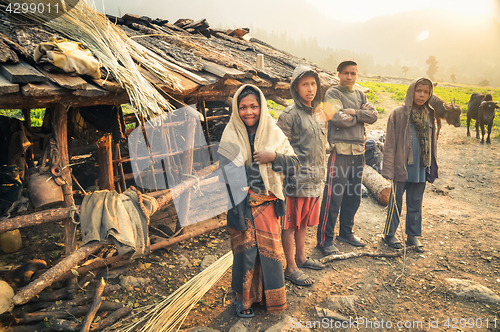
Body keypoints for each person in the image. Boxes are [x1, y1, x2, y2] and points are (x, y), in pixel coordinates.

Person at [218, 85, 299, 318]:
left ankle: (268, 299)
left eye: (254, 106)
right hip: (241, 205)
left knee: (270, 254)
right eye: (243, 107)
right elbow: (226, 173)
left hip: (269, 204)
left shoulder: (273, 132)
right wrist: (249, 170)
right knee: (245, 254)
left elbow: (294, 165)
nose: (249, 112)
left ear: (261, 107)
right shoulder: (230, 134)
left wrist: (273, 157)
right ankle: (243, 300)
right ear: (236, 109)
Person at [317, 58, 378, 256]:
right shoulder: (332, 93)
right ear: (339, 74)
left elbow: (374, 116)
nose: (349, 76)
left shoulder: (360, 93)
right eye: (346, 73)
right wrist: (359, 115)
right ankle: (325, 240)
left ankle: (346, 233)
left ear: (357, 75)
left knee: (353, 196)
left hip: (359, 152)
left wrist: (353, 113)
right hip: (340, 152)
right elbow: (337, 118)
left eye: (353, 73)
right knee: (333, 197)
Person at [277, 66, 327, 286]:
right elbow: (279, 148)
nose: (310, 89)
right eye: (305, 84)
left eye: (313, 84)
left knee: (303, 222)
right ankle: (290, 267)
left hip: (314, 180)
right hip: (294, 181)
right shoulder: (289, 115)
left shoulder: (318, 113)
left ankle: (301, 257)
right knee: (289, 224)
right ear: (296, 88)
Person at [381, 77, 438, 252]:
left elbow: (432, 142)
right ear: (411, 91)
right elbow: (390, 143)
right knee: (396, 201)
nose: (422, 95)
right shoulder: (399, 113)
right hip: (402, 166)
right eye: (418, 91)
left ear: (430, 95)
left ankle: (412, 236)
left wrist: (432, 164)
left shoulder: (430, 113)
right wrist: (389, 168)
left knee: (416, 202)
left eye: (426, 92)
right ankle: (389, 235)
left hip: (421, 166)